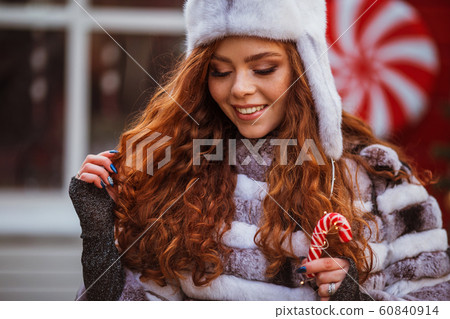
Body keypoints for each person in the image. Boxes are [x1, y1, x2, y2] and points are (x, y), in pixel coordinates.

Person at [69, 0, 450, 301]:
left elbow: (431, 301)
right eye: (220, 71)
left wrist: (355, 300)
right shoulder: (178, 173)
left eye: (264, 68)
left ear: (305, 71)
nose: (239, 89)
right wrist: (100, 238)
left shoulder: (378, 180)